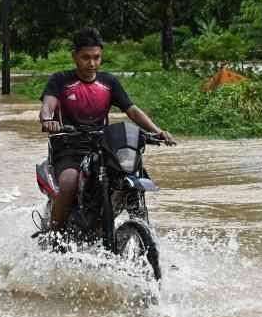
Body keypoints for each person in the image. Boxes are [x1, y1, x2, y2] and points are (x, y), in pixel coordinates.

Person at [39, 28, 175, 231]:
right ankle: (53, 236)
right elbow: (47, 106)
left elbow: (132, 111)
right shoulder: (60, 80)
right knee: (69, 182)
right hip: (70, 149)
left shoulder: (109, 82)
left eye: (96, 57)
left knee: (133, 175)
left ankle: (146, 236)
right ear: (75, 56)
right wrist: (48, 120)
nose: (92, 63)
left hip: (102, 148)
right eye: (86, 58)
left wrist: (158, 131)